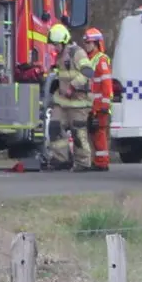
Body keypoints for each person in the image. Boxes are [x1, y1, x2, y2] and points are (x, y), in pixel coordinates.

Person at [48, 23, 96, 171]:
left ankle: (83, 162)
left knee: (78, 132)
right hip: (63, 102)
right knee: (55, 126)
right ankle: (61, 159)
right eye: (53, 45)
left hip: (79, 102)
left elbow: (88, 72)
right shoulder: (59, 57)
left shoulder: (77, 53)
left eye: (56, 45)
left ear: (64, 42)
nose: (54, 48)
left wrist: (73, 86)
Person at [83, 27, 113, 171]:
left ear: (96, 44)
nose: (86, 45)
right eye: (86, 43)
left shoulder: (101, 60)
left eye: (89, 43)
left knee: (99, 132)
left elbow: (106, 84)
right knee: (94, 133)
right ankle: (98, 160)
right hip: (92, 104)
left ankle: (102, 162)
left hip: (100, 105)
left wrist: (104, 105)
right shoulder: (90, 59)